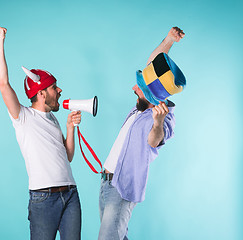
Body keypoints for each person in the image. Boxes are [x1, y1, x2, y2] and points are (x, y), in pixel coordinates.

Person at [0, 27, 82, 240]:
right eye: (54, 87)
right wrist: (0, 40)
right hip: (43, 198)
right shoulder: (23, 117)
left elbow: (67, 156)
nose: (59, 90)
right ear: (41, 93)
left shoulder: (53, 118)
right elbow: (3, 84)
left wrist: (70, 128)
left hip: (70, 194)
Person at [98, 27, 185, 240]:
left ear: (150, 94)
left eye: (139, 87)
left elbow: (154, 141)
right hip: (106, 183)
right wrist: (169, 40)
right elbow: (153, 63)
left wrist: (157, 122)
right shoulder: (141, 107)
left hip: (121, 187)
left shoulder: (162, 118)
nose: (134, 89)